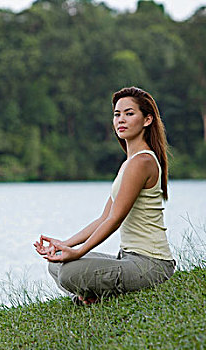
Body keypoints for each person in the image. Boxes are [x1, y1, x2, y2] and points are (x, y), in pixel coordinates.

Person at [34, 86, 175, 305]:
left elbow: (114, 220)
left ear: (147, 120)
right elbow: (103, 217)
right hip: (127, 259)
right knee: (56, 264)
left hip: (152, 265)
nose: (121, 120)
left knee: (68, 273)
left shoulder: (142, 162)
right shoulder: (129, 163)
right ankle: (92, 296)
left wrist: (79, 251)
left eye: (129, 114)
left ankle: (92, 296)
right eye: (117, 114)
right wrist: (65, 245)